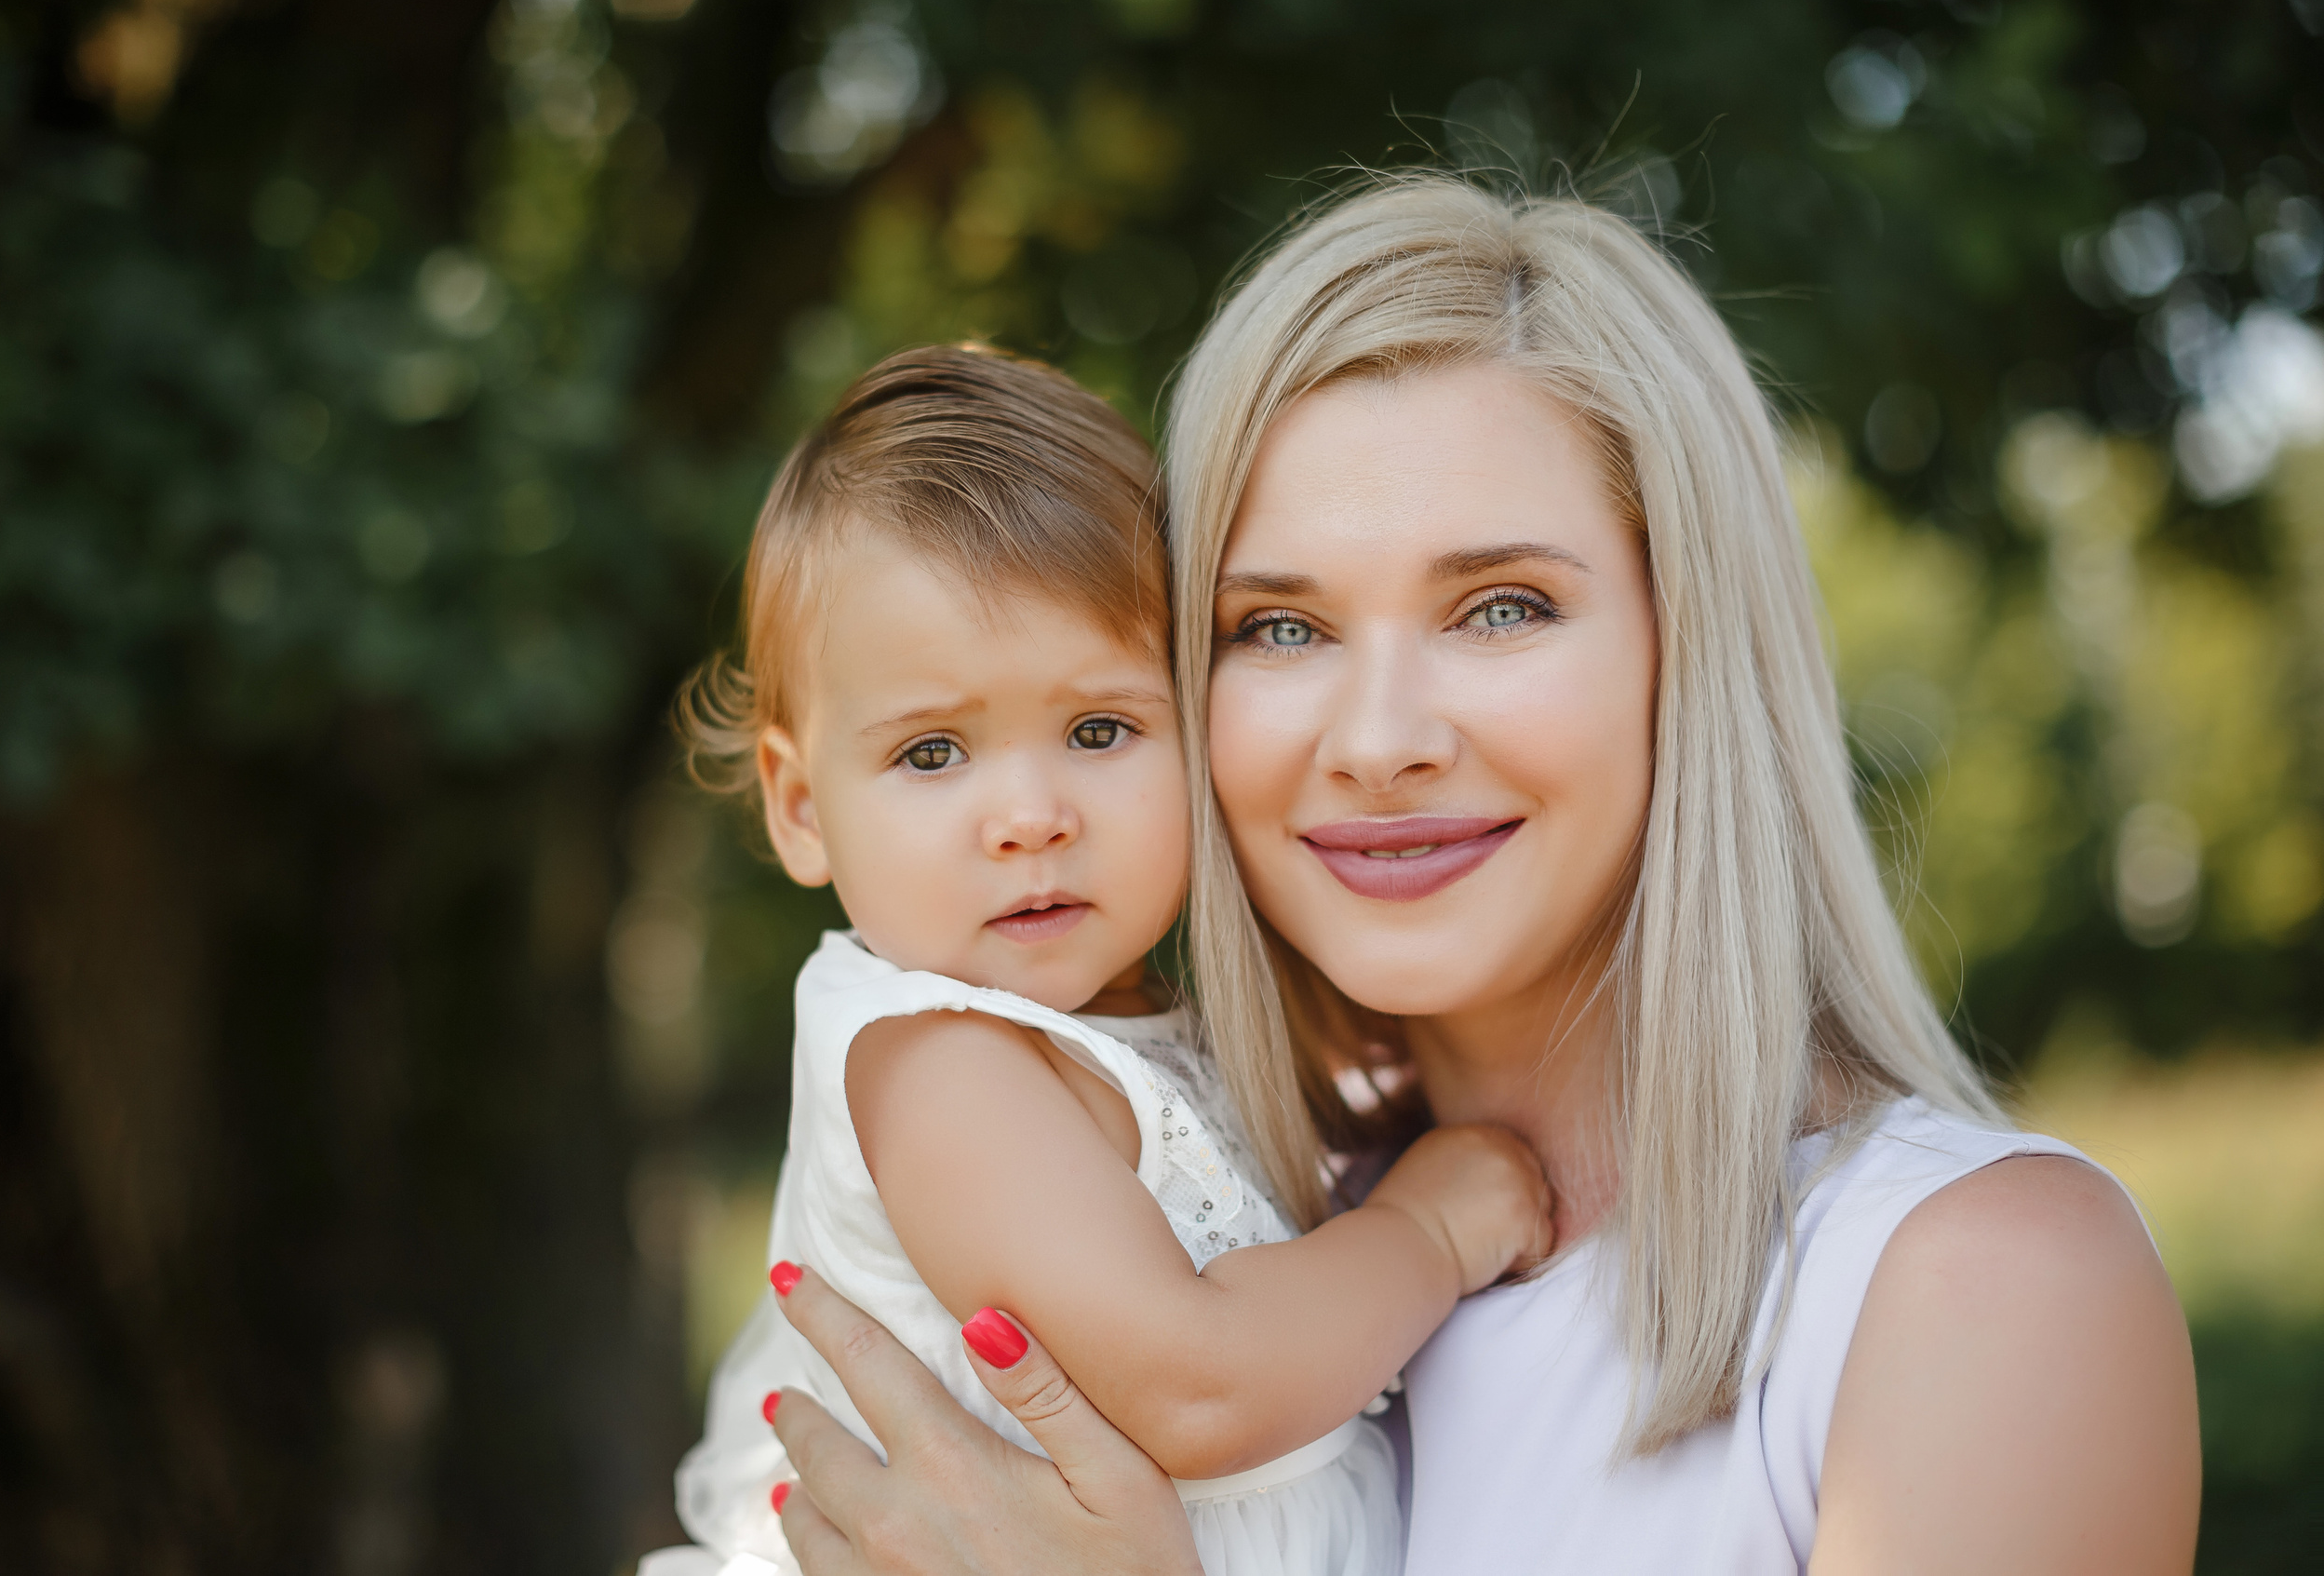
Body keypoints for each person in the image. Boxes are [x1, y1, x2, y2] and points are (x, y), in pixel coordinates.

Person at [749, 181, 2204, 1575]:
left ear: (1689, 649)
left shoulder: (1981, 1291)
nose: (1380, 742)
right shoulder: (1254, 1234)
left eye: (1500, 607)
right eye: (1278, 628)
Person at [642, 344, 1553, 1576]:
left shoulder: (1159, 1022)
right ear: (800, 810)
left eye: (1099, 728)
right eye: (930, 754)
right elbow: (1201, 1393)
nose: (1029, 814)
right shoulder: (937, 1069)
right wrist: (1432, 1233)